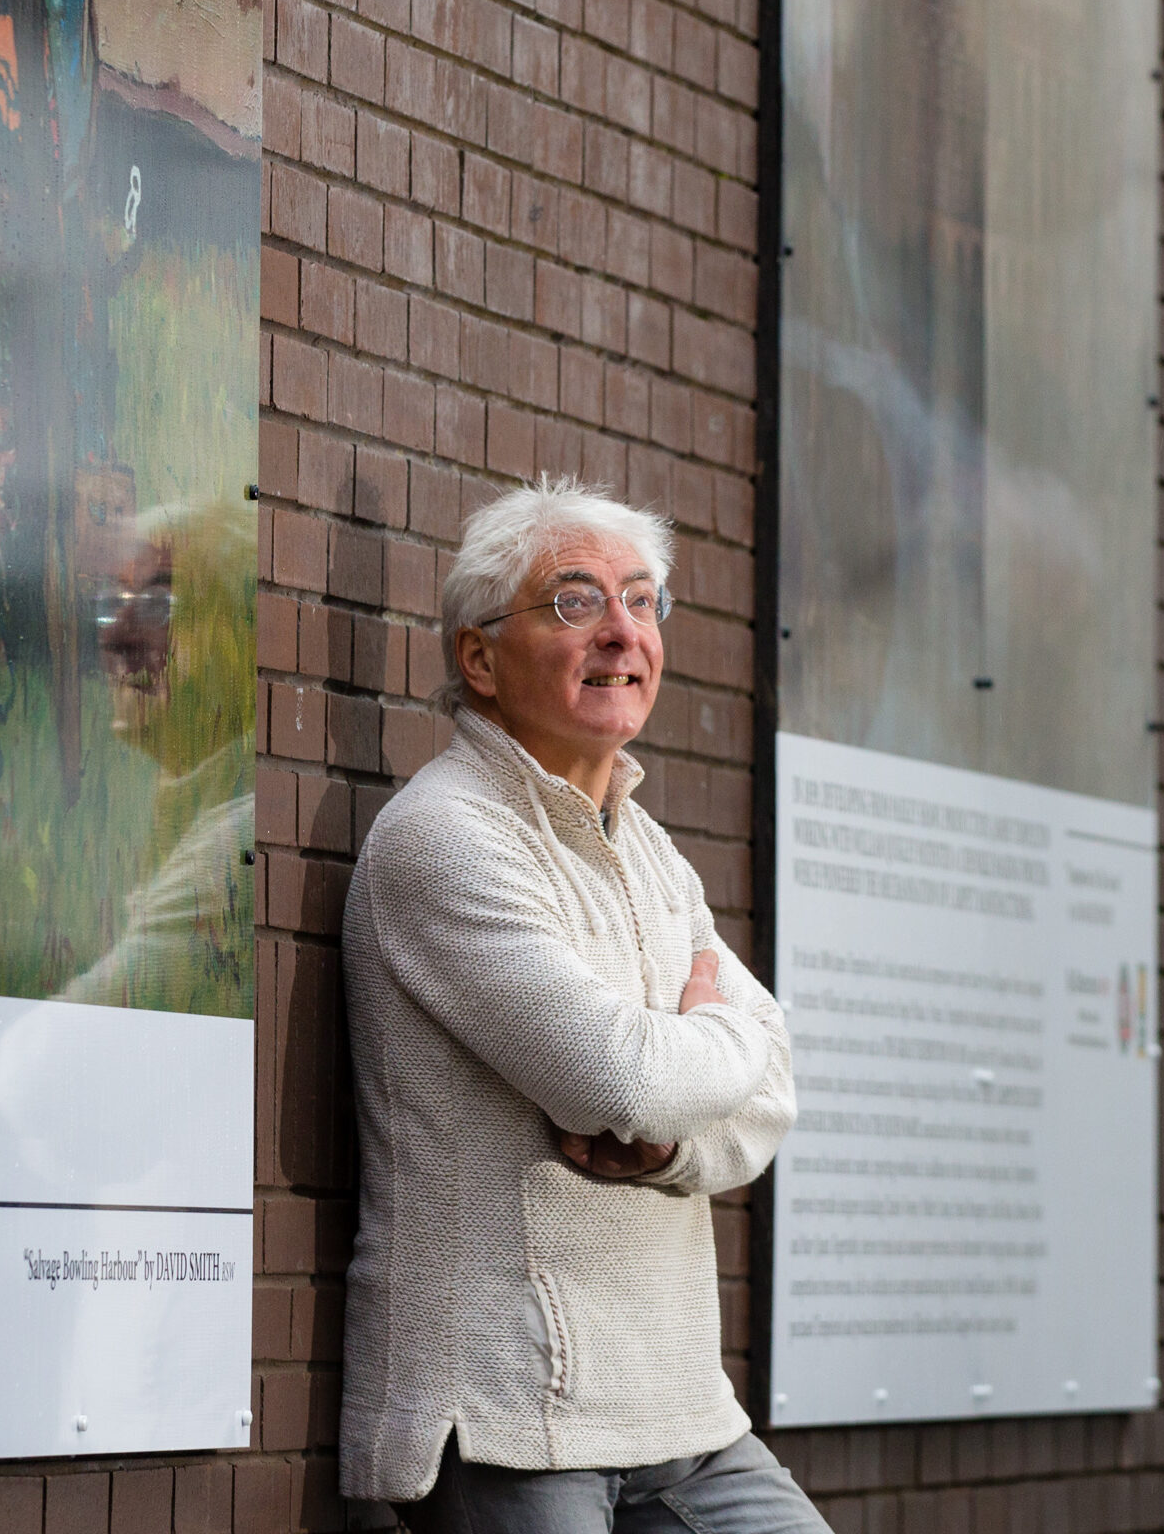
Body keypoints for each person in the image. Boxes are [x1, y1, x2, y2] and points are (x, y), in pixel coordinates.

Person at [341, 477, 819, 1534]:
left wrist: (671, 1150)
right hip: (511, 1417)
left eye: (642, 601)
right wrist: (718, 1043)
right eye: (575, 602)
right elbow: (620, 1076)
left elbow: (772, 1088)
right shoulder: (445, 837)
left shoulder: (651, 853)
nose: (621, 632)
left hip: (685, 1414)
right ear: (478, 657)